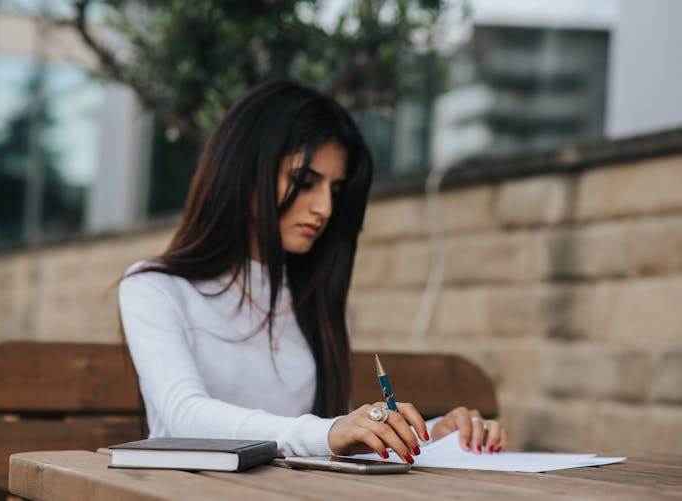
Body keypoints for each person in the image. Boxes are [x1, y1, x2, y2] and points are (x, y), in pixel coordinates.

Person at [119, 80, 506, 463]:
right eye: (304, 183)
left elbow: (336, 433)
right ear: (245, 173)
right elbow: (183, 417)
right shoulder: (156, 289)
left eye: (335, 191)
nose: (324, 208)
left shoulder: (312, 298)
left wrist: (432, 435)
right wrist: (326, 432)